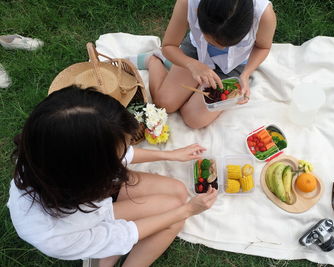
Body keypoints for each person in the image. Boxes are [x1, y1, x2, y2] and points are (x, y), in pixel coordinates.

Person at [7, 86, 218, 267]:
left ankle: (104, 256)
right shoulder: (56, 234)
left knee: (178, 192)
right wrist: (188, 210)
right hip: (85, 224)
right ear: (93, 170)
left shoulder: (48, 150)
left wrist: (169, 155)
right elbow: (123, 234)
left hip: (88, 204)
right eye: (119, 151)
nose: (126, 153)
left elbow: (116, 153)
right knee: (175, 214)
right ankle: (104, 257)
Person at [129, 0, 276, 129]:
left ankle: (176, 71)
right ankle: (154, 60)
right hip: (196, 53)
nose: (222, 49)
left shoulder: (263, 14)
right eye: (213, 41)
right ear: (199, 14)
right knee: (165, 103)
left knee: (194, 120)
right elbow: (169, 46)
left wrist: (246, 74)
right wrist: (191, 65)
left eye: (231, 43)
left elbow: (263, 47)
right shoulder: (188, 3)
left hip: (234, 65)